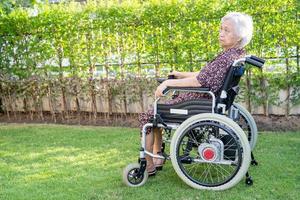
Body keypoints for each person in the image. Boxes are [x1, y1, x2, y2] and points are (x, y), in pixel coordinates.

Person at [138, 12, 254, 176]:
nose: (221, 33)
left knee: (150, 115)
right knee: (156, 113)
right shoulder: (233, 55)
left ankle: (149, 164)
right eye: (221, 29)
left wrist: (167, 83)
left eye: (227, 30)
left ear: (239, 36)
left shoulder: (226, 57)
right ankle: (157, 156)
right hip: (205, 100)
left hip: (198, 104)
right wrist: (180, 74)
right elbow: (204, 75)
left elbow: (199, 82)